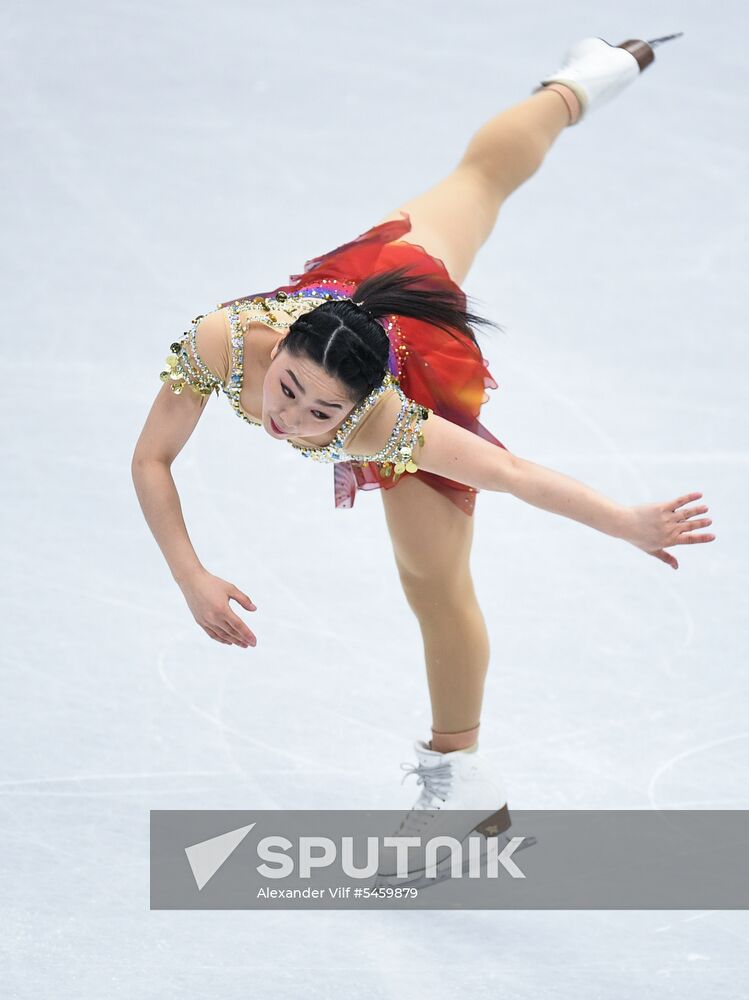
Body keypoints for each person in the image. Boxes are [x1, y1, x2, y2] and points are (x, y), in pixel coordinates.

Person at [132, 33, 714, 871]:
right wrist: (191, 575)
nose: (287, 420)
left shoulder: (390, 425)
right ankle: (580, 81)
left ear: (358, 413)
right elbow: (150, 459)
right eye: (285, 389)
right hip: (375, 277)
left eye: (317, 415)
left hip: (417, 347)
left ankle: (459, 777)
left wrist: (625, 521)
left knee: (433, 581)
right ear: (285, 337)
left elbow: (512, 474)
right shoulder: (222, 338)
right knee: (476, 180)